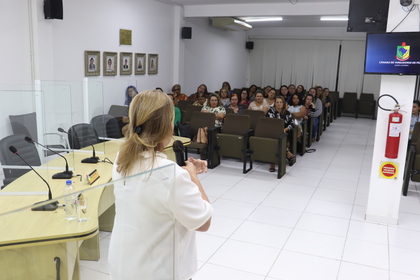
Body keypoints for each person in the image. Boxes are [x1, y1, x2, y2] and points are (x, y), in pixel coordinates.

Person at [109, 90, 213, 280]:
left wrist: (184, 174)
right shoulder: (172, 175)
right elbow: (203, 222)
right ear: (167, 127)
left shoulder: (120, 159)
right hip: (158, 271)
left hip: (124, 265)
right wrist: (193, 177)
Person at [266, 96, 296, 172]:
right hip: (272, 132)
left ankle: (272, 163)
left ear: (283, 103)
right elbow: (270, 123)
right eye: (277, 102)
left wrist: (285, 129)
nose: (279, 104)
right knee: (275, 139)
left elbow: (292, 124)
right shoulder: (271, 111)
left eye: (280, 102)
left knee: (278, 138)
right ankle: (287, 152)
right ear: (275, 103)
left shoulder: (287, 113)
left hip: (284, 133)